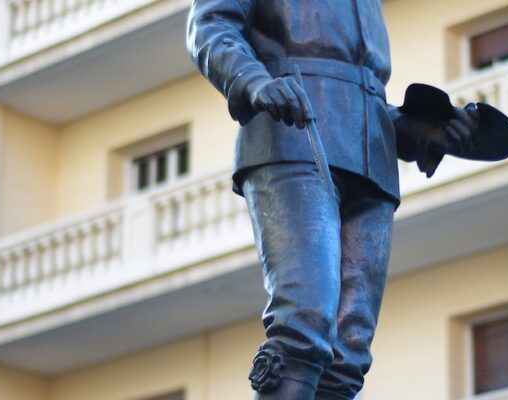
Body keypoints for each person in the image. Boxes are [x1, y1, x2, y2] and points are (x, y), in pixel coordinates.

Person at [186, 1, 479, 399]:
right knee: (304, 321)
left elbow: (360, 94)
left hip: (372, 163)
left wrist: (423, 132)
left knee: (349, 353)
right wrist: (253, 79)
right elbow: (210, 25)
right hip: (291, 134)